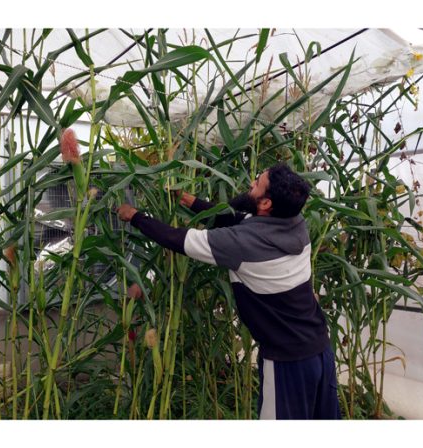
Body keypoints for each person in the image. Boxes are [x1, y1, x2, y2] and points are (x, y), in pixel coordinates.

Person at [116, 163, 341, 420]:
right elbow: (235, 218)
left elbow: (178, 239)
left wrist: (135, 216)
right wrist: (190, 201)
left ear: (266, 204)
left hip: (287, 362)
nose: (250, 184)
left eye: (257, 183)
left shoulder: (242, 245)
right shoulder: (295, 223)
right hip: (320, 350)